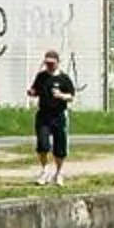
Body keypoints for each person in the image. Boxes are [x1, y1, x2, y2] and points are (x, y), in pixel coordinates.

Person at [28, 50, 76, 187]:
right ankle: (45, 171)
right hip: (44, 115)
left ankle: (59, 172)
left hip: (59, 115)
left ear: (57, 63)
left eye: (52, 63)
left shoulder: (64, 79)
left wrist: (61, 95)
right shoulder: (41, 76)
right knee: (43, 144)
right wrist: (32, 92)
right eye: (47, 63)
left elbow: (71, 96)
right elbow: (35, 90)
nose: (49, 66)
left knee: (60, 146)